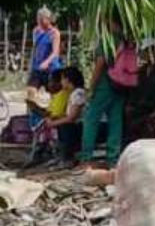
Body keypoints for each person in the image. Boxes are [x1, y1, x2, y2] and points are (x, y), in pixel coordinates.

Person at [79, 18, 133, 168]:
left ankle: (86, 157)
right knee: (115, 122)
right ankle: (113, 159)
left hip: (105, 84)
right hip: (121, 85)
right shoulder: (126, 40)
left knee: (91, 119)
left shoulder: (107, 40)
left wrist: (91, 87)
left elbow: (100, 64)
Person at [47, 67, 87, 162]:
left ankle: (68, 157)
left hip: (81, 126)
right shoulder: (73, 93)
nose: (61, 82)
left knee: (65, 126)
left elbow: (72, 118)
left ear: (68, 80)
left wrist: (53, 123)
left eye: (62, 79)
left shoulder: (78, 94)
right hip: (78, 125)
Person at [27, 7, 63, 97]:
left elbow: (55, 52)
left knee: (54, 95)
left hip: (51, 68)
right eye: (38, 19)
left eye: (41, 19)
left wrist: (46, 63)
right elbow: (36, 49)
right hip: (37, 68)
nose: (39, 21)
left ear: (47, 19)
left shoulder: (54, 33)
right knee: (31, 91)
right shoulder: (36, 31)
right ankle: (31, 111)